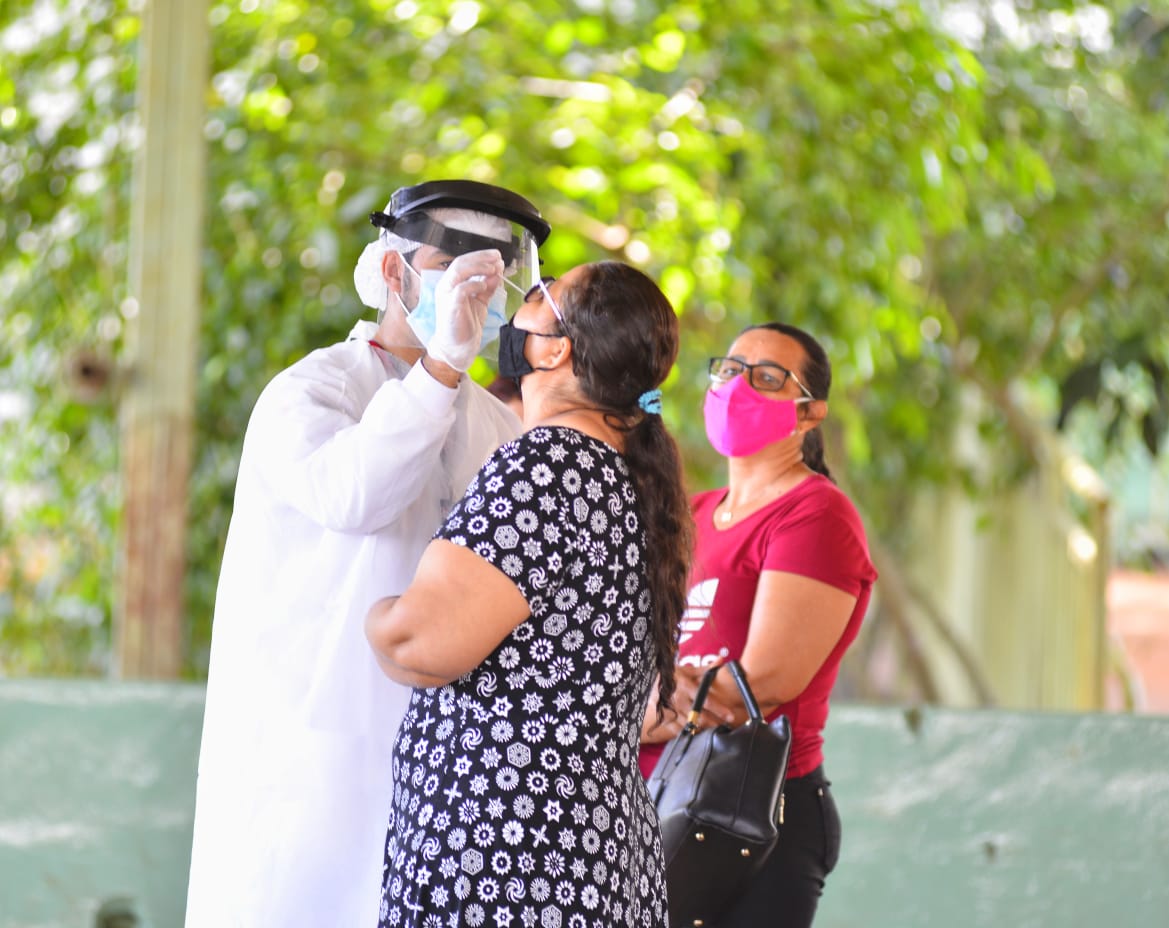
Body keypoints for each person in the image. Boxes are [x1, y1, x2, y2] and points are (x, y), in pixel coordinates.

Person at [184, 180, 552, 928]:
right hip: (308, 762)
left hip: (447, 766)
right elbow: (356, 497)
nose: (476, 293)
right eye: (453, 270)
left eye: (492, 276)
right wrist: (440, 369)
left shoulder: (498, 425)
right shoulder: (311, 391)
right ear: (393, 271)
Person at [365, 261, 692, 928]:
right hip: (592, 855)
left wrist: (374, 611)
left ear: (553, 350)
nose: (515, 304)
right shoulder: (630, 475)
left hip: (512, 864)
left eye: (541, 295)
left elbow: (416, 642)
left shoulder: (547, 464)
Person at [639, 322, 878, 928]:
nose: (738, 386)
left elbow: (758, 686)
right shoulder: (691, 514)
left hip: (748, 812)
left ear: (810, 413)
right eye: (729, 369)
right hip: (657, 801)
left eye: (768, 378)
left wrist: (625, 712)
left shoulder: (816, 515)